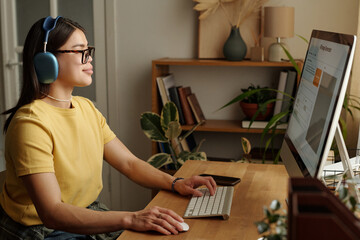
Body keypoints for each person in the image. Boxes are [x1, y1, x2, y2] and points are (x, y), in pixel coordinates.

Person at [0, 16, 216, 240]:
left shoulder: (86, 109)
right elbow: (52, 212)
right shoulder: (31, 123)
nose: (89, 59)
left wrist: (175, 183)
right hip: (43, 229)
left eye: (88, 50)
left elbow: (129, 163)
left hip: (84, 213)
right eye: (79, 50)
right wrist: (131, 218)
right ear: (47, 61)